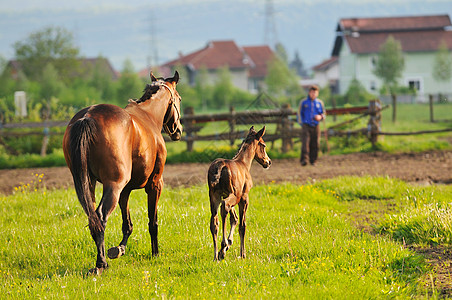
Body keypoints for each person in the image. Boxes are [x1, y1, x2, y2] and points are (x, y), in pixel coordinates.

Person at [297, 85, 326, 166]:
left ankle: (313, 160)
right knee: (305, 143)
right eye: (312, 92)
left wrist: (320, 117)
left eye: (315, 93)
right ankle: (304, 160)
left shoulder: (320, 103)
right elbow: (299, 113)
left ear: (317, 93)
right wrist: (302, 123)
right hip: (306, 125)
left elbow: (323, 113)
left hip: (316, 125)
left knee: (315, 143)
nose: (313, 94)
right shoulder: (304, 102)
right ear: (309, 93)